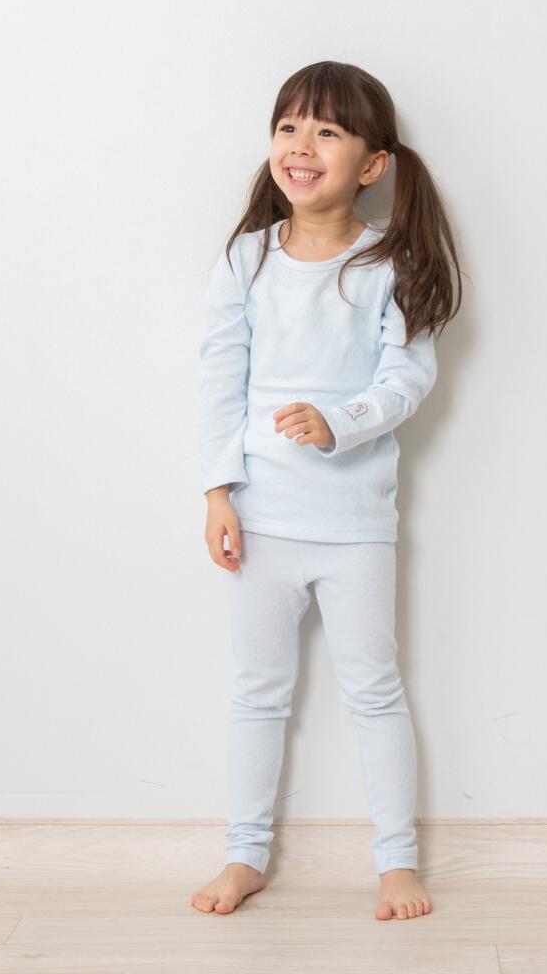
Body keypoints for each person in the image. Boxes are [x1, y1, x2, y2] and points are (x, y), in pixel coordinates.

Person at [191, 60, 462, 921]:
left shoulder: (389, 263)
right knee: (257, 694)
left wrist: (339, 421)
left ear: (372, 164)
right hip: (260, 520)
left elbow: (407, 378)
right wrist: (218, 491)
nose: (301, 146)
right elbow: (219, 378)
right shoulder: (246, 258)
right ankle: (244, 855)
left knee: (374, 691)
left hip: (353, 526)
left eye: (327, 131)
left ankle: (396, 862)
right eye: (288, 127)